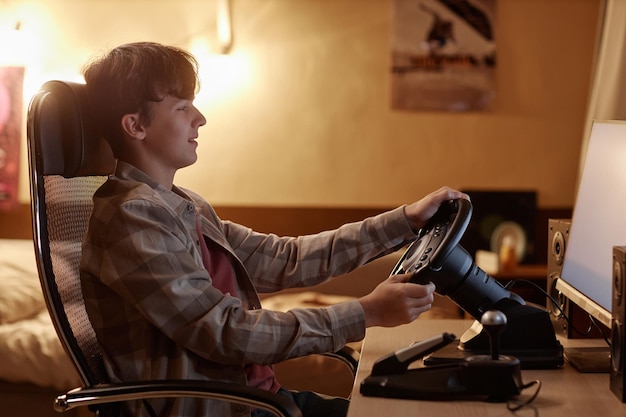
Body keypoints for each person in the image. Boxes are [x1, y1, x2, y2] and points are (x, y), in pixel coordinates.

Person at [79, 41, 469, 417]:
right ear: (135, 125)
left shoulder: (183, 204)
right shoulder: (131, 219)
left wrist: (404, 221)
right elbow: (224, 332)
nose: (200, 118)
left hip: (260, 400)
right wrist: (365, 312)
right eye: (183, 107)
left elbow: (286, 259)